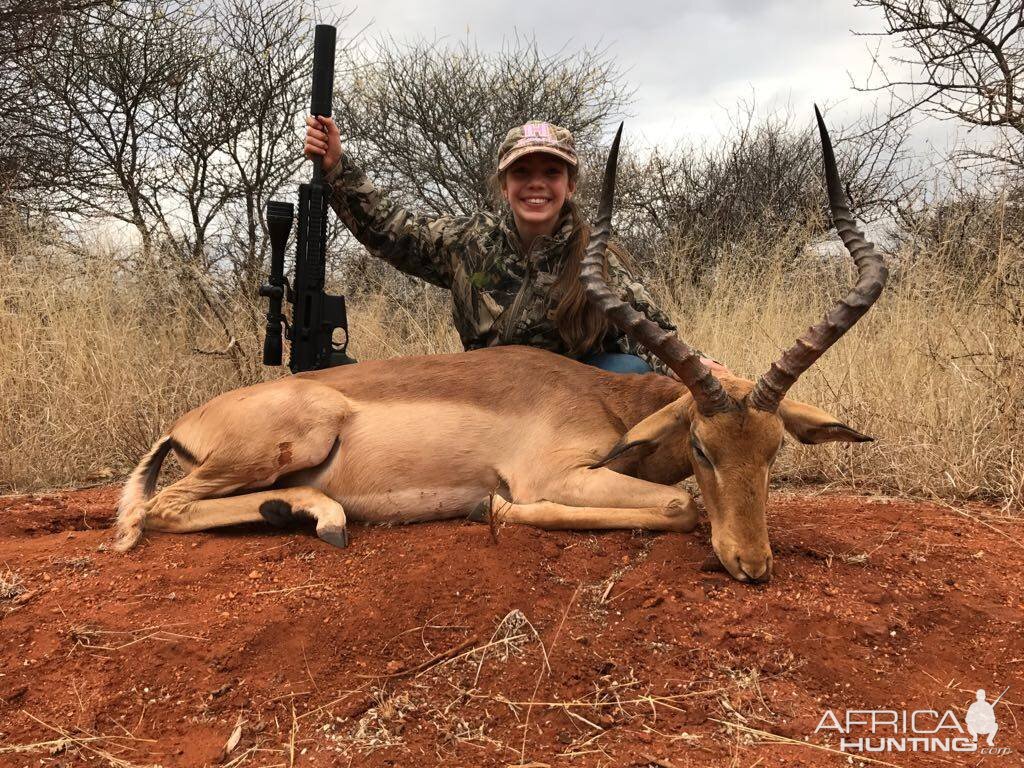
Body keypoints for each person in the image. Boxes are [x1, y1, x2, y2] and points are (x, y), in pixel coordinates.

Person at [303, 116, 724, 376]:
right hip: (489, 394)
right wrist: (337, 166)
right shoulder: (467, 241)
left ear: (570, 185)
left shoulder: (596, 258)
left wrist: (701, 367)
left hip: (564, 401)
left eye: (551, 172)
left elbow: (654, 335)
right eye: (522, 172)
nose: (536, 183)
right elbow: (390, 230)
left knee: (631, 373)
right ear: (505, 186)